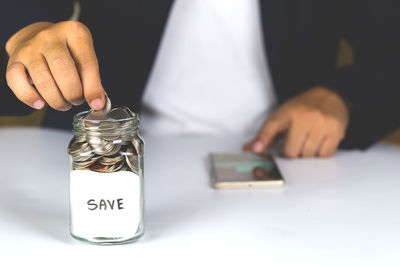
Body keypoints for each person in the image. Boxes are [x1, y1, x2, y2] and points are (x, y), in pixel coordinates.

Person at [1, 0, 399, 158]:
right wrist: (23, 39)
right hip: (106, 159)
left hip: (286, 160)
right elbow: (20, 19)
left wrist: (344, 97)